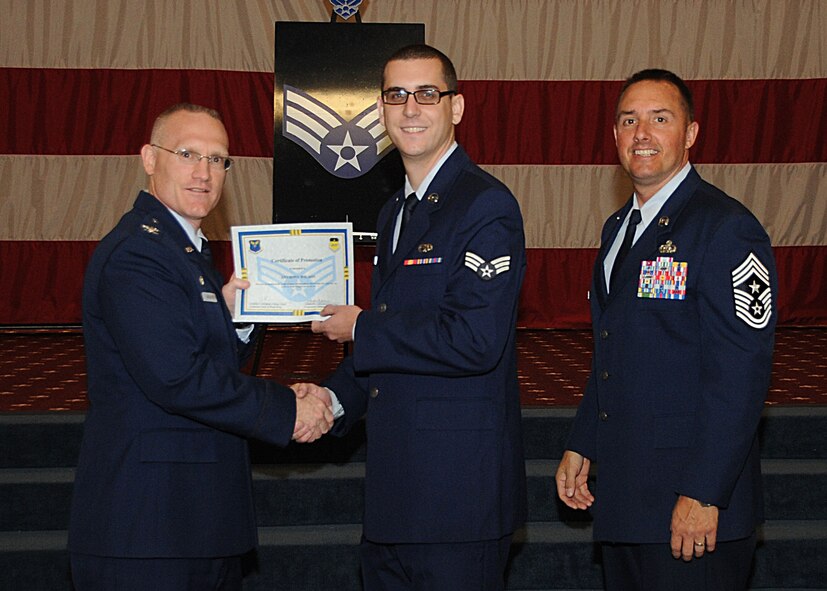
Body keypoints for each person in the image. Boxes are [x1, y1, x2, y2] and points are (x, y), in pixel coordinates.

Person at [68, 103, 333, 590]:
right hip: (149, 527)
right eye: (188, 154)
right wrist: (287, 408)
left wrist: (233, 321)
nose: (204, 173)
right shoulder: (139, 254)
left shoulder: (183, 250)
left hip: (191, 520)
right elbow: (177, 377)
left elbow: (197, 356)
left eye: (217, 159)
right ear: (150, 158)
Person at [303, 44, 527, 589]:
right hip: (394, 498)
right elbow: (392, 342)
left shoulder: (485, 205)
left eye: (427, 93)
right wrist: (331, 400)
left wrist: (361, 327)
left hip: (458, 502)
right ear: (380, 110)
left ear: (457, 107)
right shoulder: (395, 211)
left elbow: (474, 339)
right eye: (396, 95)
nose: (410, 108)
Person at [555, 70, 776, 590]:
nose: (642, 134)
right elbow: (612, 351)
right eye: (629, 120)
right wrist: (583, 441)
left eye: (660, 118)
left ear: (691, 133)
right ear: (615, 135)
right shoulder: (618, 230)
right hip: (627, 500)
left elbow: (741, 374)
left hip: (693, 508)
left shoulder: (726, 227)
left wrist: (704, 491)